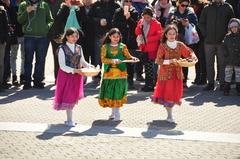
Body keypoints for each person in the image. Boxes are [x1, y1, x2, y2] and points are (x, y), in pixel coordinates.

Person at [152, 24, 197, 123]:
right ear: (166, 35)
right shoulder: (162, 46)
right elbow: (158, 61)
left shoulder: (180, 44)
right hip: (165, 75)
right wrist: (170, 61)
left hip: (177, 74)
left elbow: (189, 52)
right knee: (168, 95)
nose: (172, 36)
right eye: (169, 34)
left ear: (176, 34)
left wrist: (192, 55)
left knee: (173, 95)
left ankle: (169, 114)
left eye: (173, 34)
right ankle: (170, 115)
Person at [53, 27, 93, 127]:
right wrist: (75, 70)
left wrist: (89, 66)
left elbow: (82, 61)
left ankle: (69, 120)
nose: (74, 38)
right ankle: (69, 120)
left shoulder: (79, 47)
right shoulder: (62, 48)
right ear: (67, 37)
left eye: (76, 36)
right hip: (66, 76)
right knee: (68, 98)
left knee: (72, 98)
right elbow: (62, 66)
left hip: (76, 76)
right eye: (72, 36)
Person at [98, 28, 139, 121]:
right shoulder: (105, 47)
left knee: (118, 93)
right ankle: (113, 113)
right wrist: (113, 60)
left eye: (117, 36)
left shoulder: (123, 46)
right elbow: (103, 60)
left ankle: (117, 113)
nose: (116, 38)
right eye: (114, 36)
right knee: (111, 93)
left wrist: (133, 58)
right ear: (109, 37)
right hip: (109, 74)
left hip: (120, 73)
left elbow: (128, 56)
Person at [198, 0, 234, 91]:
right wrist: (206, 34)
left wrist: (227, 37)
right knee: (209, 63)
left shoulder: (228, 7)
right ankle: (210, 83)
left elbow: (232, 23)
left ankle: (222, 83)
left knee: (222, 63)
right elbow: (201, 23)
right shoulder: (207, 8)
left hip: (222, 41)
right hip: (208, 42)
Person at [17, 0, 53, 89]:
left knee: (40, 60)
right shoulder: (23, 5)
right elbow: (20, 20)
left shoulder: (44, 5)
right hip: (29, 37)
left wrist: (46, 28)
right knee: (28, 60)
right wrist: (26, 11)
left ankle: (38, 81)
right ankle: (27, 81)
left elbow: (50, 20)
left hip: (42, 37)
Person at [166, 0, 198, 88]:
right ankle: (174, 80)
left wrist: (188, 24)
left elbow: (196, 24)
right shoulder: (172, 12)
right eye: (182, 5)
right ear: (178, 3)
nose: (184, 7)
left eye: (186, 5)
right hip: (173, 39)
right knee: (173, 60)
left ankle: (183, 81)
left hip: (186, 39)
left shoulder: (190, 13)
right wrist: (172, 23)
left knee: (184, 60)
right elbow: (166, 24)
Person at [112, 0, 139, 89]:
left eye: (129, 1)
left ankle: (130, 81)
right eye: (126, 1)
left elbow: (136, 26)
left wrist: (129, 18)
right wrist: (125, 23)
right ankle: (119, 81)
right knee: (119, 60)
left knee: (130, 61)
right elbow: (114, 24)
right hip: (120, 40)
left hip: (131, 41)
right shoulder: (118, 11)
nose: (128, 3)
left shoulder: (134, 12)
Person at [135, 7, 163, 91]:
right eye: (145, 17)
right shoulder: (141, 21)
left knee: (150, 67)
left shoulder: (156, 23)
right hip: (143, 47)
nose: (146, 19)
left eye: (148, 17)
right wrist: (139, 27)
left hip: (152, 48)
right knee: (146, 67)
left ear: (151, 16)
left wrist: (148, 39)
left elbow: (159, 36)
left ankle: (150, 85)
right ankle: (147, 84)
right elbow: (136, 32)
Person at [223, 18, 240, 96]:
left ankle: (238, 88)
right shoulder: (227, 37)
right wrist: (226, 54)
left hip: (238, 59)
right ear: (230, 28)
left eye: (236, 27)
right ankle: (226, 89)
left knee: (238, 74)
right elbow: (224, 46)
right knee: (228, 74)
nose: (234, 28)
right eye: (232, 27)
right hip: (229, 59)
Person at [0, 3, 9, 91]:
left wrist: (5, 39)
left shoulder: (2, 10)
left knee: (1, 64)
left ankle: (1, 83)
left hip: (1, 41)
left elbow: (6, 27)